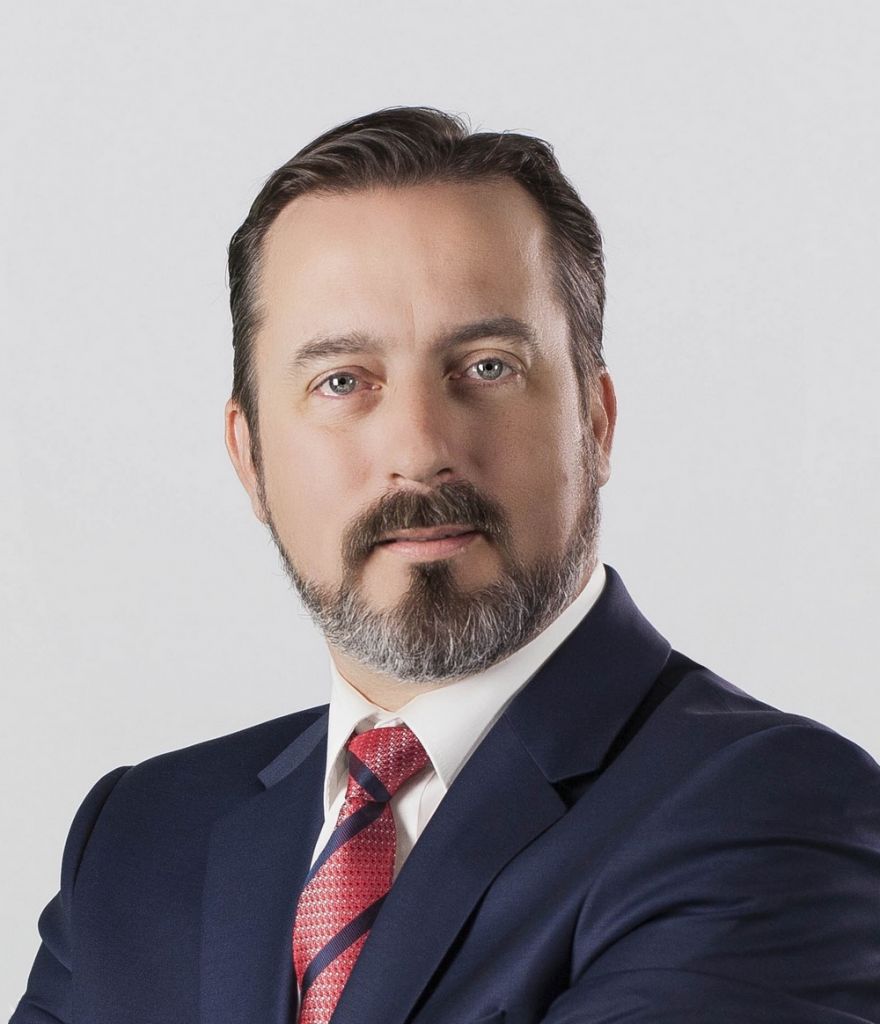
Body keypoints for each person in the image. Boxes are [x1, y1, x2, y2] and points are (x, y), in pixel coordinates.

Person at [11, 106, 880, 1024]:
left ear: (595, 421)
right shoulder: (140, 839)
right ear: (249, 456)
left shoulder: (770, 811)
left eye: (487, 366)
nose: (420, 450)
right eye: (341, 381)